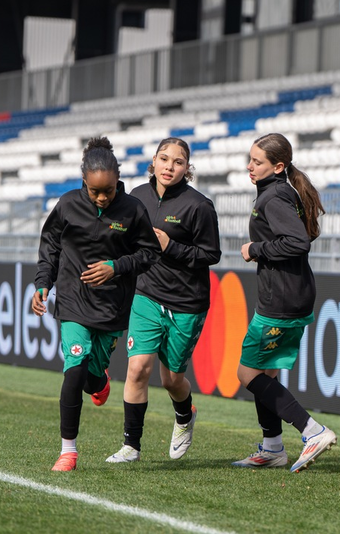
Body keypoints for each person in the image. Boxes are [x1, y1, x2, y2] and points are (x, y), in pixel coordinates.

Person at [32, 136, 161, 472]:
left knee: (90, 375)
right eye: (95, 192)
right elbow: (50, 248)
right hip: (74, 301)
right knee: (74, 369)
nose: (102, 197)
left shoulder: (133, 210)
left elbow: (150, 253)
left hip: (112, 307)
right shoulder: (67, 205)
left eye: (109, 191)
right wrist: (43, 284)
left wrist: (115, 267)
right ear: (83, 182)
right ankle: (68, 451)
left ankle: (100, 382)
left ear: (118, 180)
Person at [106, 137, 221, 464]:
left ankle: (185, 416)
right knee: (138, 368)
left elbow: (211, 254)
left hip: (187, 302)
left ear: (187, 168)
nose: (170, 166)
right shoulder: (136, 196)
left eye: (178, 161)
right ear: (153, 162)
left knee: (171, 379)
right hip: (146, 295)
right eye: (164, 159)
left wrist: (172, 246)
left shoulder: (199, 206)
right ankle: (131, 446)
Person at [231, 132, 337, 473]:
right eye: (250, 159)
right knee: (265, 371)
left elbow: (298, 242)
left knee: (247, 372)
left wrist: (255, 249)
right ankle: (273, 447)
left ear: (278, 166)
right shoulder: (276, 191)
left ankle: (312, 431)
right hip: (290, 294)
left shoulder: (274, 196)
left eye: (257, 162)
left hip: (283, 299)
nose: (250, 166)